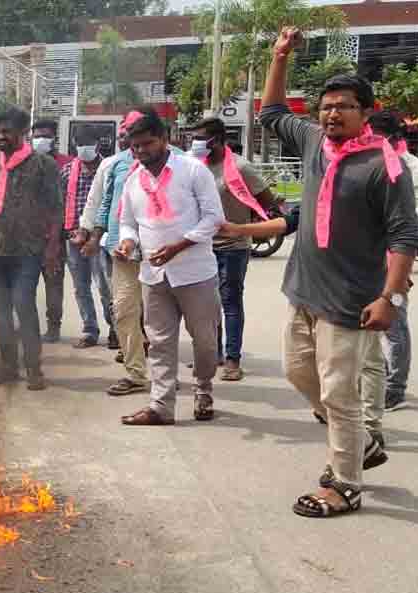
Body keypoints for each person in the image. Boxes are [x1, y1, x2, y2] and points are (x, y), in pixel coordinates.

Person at [261, 27, 418, 518]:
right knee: (297, 374)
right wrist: (279, 57)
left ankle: (347, 482)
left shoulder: (384, 165)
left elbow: (404, 236)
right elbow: (269, 114)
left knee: (339, 393)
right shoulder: (313, 140)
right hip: (303, 291)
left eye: (344, 106)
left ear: (366, 112)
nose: (332, 113)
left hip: (352, 300)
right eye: (327, 106)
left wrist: (390, 298)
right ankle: (362, 444)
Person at [116, 107, 224, 427]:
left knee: (204, 340)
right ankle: (161, 406)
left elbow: (213, 218)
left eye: (147, 144)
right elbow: (128, 223)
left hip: (195, 271)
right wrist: (127, 243)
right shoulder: (133, 180)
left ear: (164, 139)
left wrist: (180, 245)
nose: (140, 151)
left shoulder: (193, 171)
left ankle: (203, 388)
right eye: (135, 147)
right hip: (154, 274)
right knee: (160, 341)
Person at [357, 111, 418, 424]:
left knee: (394, 324)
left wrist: (392, 211)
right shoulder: (368, 165)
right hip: (362, 257)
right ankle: (369, 380)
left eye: (373, 139)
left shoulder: (416, 169)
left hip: (395, 259)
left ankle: (395, 387)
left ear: (393, 139)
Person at [0, 107, 63, 391]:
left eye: (6, 132)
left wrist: (52, 247)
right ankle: (8, 365)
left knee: (24, 305)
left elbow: (56, 209)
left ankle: (34, 368)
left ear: (22, 133)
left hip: (28, 250)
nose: (0, 137)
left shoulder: (43, 165)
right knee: (1, 310)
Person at [188, 117, 276, 382]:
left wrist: (251, 225)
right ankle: (211, 354)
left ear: (217, 140)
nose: (196, 143)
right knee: (206, 305)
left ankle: (232, 359)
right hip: (203, 247)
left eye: (201, 138)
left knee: (230, 302)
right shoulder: (195, 167)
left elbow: (267, 201)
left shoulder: (241, 168)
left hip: (233, 248)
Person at [78, 113, 149, 396]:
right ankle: (136, 373)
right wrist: (89, 233)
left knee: (159, 317)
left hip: (164, 252)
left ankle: (164, 369)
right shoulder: (112, 164)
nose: (128, 139)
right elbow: (98, 201)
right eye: (126, 134)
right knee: (123, 310)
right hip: (121, 250)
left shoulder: (180, 162)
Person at [61, 131, 117, 350]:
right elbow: (60, 204)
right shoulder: (66, 172)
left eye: (88, 143)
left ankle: (115, 328)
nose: (84, 147)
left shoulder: (108, 169)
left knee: (105, 286)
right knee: (80, 287)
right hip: (73, 237)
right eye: (80, 144)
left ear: (97, 143)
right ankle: (89, 329)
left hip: (99, 237)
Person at [30, 120, 67, 343]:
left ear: (54, 138)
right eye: (37, 135)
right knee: (25, 286)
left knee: (53, 285)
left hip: (55, 236)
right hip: (27, 237)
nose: (41, 139)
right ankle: (29, 326)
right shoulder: (24, 163)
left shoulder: (66, 164)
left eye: (46, 135)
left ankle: (54, 327)